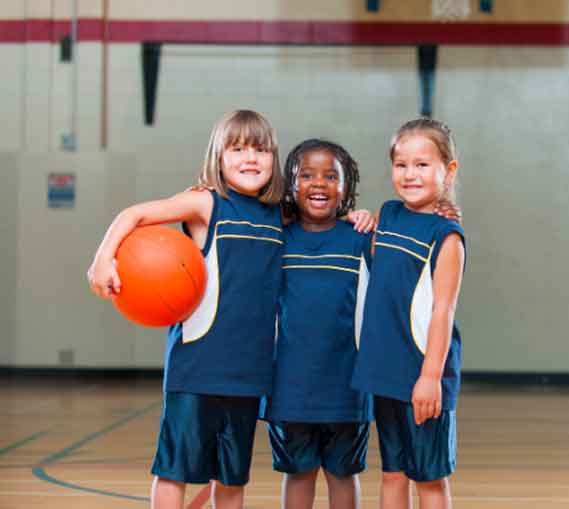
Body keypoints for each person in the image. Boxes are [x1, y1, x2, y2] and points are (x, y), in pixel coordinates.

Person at [87, 111, 371, 509]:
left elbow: (319, 210)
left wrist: (357, 216)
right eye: (237, 149)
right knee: (174, 470)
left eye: (261, 149)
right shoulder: (205, 203)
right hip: (197, 369)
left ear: (275, 160)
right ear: (218, 157)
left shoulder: (278, 214)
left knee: (232, 480)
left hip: (250, 377)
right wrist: (103, 259)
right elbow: (133, 215)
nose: (250, 158)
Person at [351, 118, 466, 509]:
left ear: (448, 170)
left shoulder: (447, 236)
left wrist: (431, 376)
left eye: (422, 164)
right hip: (386, 371)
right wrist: (360, 218)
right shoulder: (388, 214)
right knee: (392, 473)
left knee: (429, 479)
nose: (410, 174)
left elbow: (443, 310)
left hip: (422, 375)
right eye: (401, 165)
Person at [266, 138, 374, 509]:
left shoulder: (361, 238)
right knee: (297, 473)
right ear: (290, 184)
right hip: (289, 387)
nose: (319, 183)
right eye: (307, 174)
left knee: (343, 474)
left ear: (346, 187)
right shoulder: (276, 237)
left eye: (331, 175)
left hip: (348, 387)